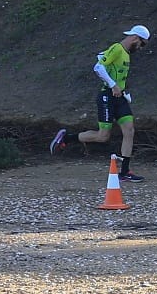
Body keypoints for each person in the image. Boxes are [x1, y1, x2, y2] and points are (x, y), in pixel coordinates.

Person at [49, 24, 150, 182]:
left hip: (120, 97)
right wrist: (113, 85)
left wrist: (123, 91)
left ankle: (124, 171)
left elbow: (105, 62)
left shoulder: (125, 54)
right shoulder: (117, 48)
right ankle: (67, 138)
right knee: (103, 136)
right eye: (142, 44)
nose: (141, 47)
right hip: (107, 96)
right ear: (135, 38)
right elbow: (98, 67)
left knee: (129, 131)